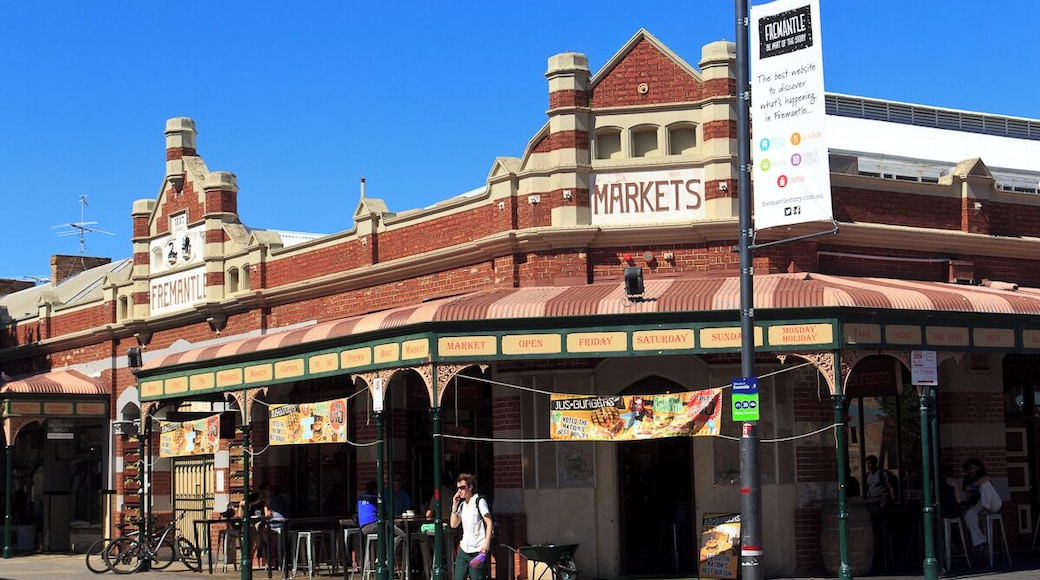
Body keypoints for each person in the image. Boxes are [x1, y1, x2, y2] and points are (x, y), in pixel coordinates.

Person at [946, 458, 1002, 551]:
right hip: (980, 503)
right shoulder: (967, 478)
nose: (972, 469)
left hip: (993, 503)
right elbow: (965, 490)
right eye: (970, 468)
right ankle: (980, 541)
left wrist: (972, 486)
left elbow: (986, 478)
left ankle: (986, 508)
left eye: (974, 467)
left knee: (985, 484)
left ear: (978, 468)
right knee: (969, 515)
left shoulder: (983, 475)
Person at [449, 473, 493, 580]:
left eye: (462, 488)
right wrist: (454, 506)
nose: (460, 491)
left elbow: (489, 522)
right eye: (458, 488)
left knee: (476, 577)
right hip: (464, 550)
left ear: (470, 487)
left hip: (478, 551)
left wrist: (486, 544)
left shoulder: (479, 501)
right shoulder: (463, 505)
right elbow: (453, 524)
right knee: (458, 577)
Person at [358, 480, 406, 567]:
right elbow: (384, 513)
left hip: (363, 527)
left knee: (387, 532)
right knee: (401, 534)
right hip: (374, 525)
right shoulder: (376, 498)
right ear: (377, 489)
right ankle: (386, 557)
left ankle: (380, 556)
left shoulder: (361, 498)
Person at [259, 483, 289, 568]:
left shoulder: (269, 499)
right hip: (284, 524)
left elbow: (267, 516)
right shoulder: (280, 498)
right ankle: (274, 556)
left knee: (264, 532)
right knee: (267, 534)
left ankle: (272, 557)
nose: (265, 493)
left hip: (277, 525)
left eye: (266, 491)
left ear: (270, 492)